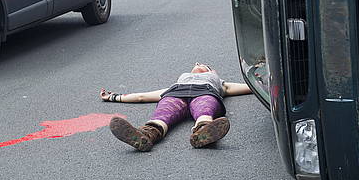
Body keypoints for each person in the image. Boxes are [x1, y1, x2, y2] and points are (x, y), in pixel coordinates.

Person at [100, 63, 252, 151]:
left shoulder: (220, 82)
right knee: (162, 116)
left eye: (202, 64)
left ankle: (204, 132)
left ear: (213, 72)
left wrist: (268, 83)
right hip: (175, 94)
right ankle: (146, 135)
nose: (197, 65)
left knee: (204, 111)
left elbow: (250, 86)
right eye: (196, 64)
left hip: (205, 92)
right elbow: (143, 96)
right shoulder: (176, 84)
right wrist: (115, 97)